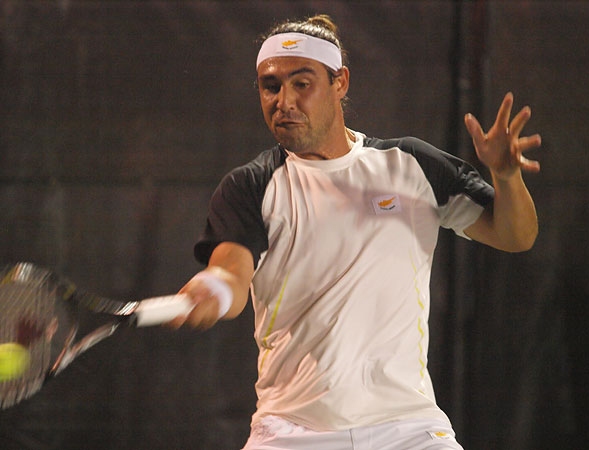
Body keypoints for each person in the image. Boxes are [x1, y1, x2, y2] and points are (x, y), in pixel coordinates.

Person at [170, 14, 541, 450]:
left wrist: (506, 177)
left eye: (301, 83)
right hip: (291, 432)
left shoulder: (412, 166)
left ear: (340, 82)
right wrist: (212, 290)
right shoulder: (250, 186)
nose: (284, 101)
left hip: (409, 428)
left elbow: (515, 235)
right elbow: (230, 275)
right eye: (271, 87)